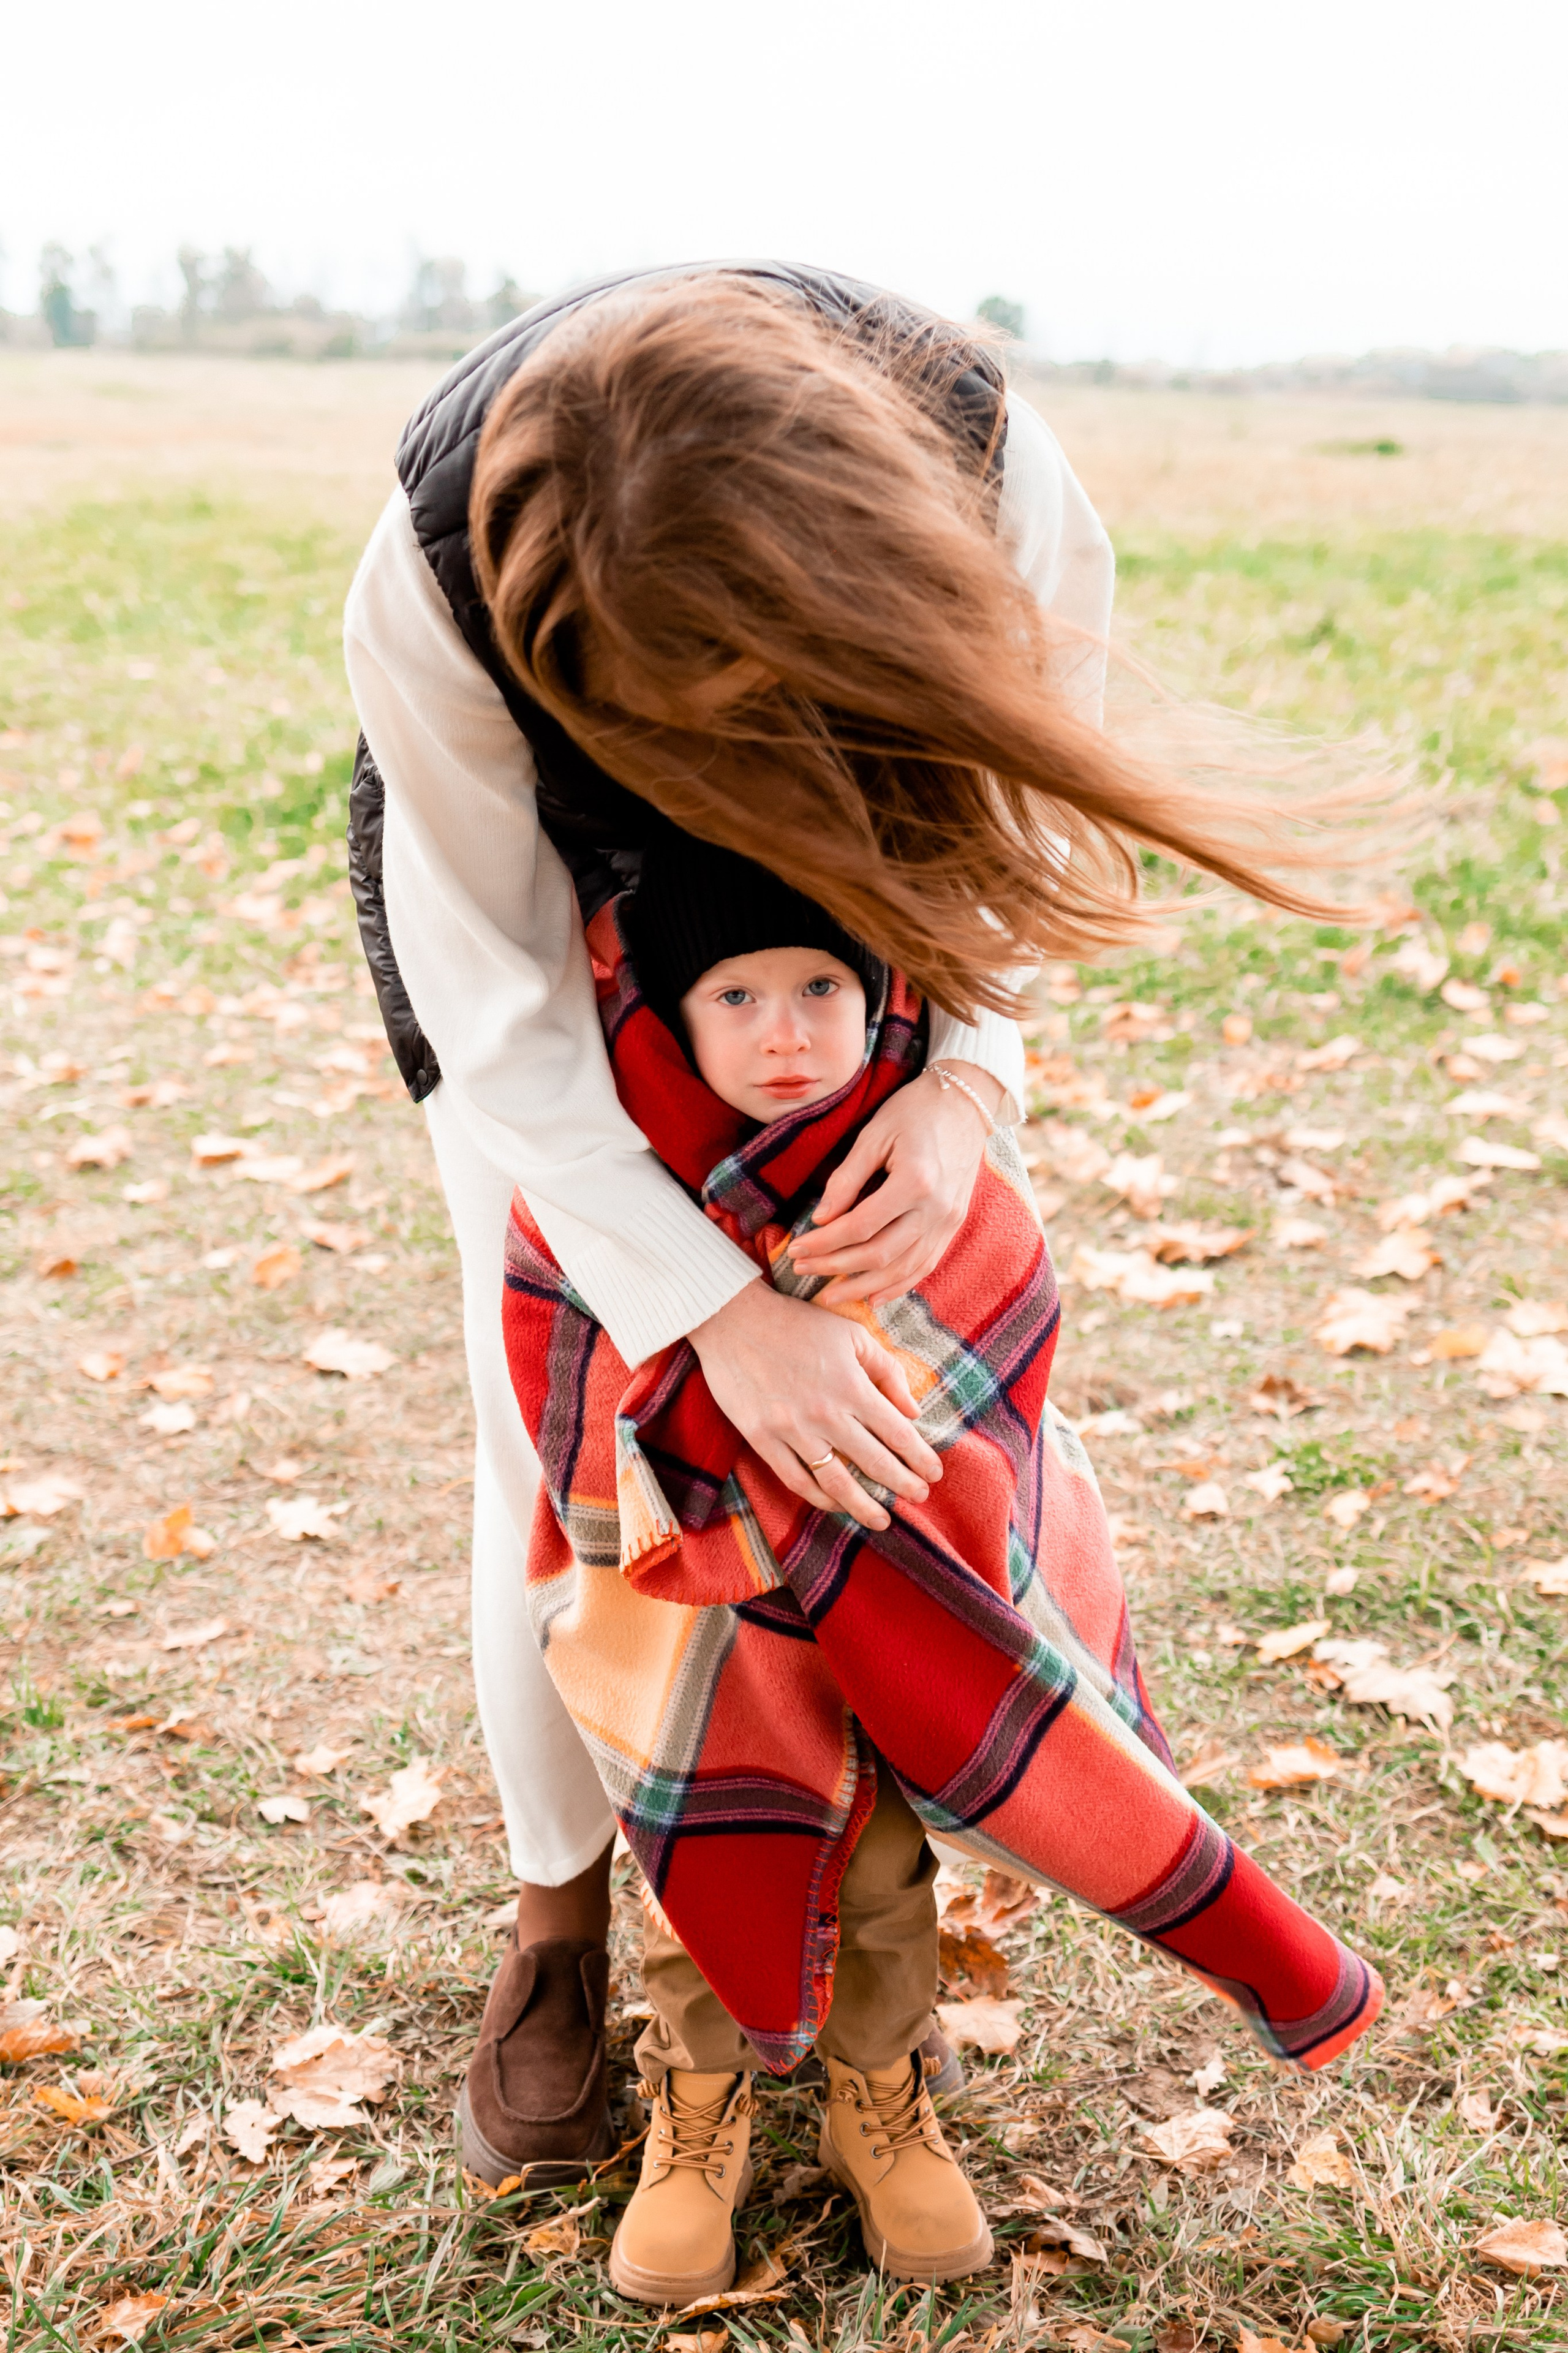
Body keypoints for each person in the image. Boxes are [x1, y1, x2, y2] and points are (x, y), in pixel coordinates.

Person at [342, 263, 1351, 2193]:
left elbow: (1024, 817)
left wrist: (967, 1083)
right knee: (556, 1437)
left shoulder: (998, 476)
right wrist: (708, 1309)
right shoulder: (430, 572)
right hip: (547, 926)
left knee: (895, 1401)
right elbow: (498, 1004)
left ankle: (857, 1900)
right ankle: (562, 1925)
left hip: (866, 914)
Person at [497, 830, 1381, 2303]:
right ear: (669, 1008)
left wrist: (902, 1545)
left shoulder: (914, 1162)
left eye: (819, 988)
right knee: (705, 1804)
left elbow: (989, 1372)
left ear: (878, 993)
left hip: (891, 1575)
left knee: (880, 1826)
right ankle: (695, 2100)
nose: (784, 1034)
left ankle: (877, 2088)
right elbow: (570, 1386)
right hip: (694, 1573)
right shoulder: (605, 1178)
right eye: (733, 997)